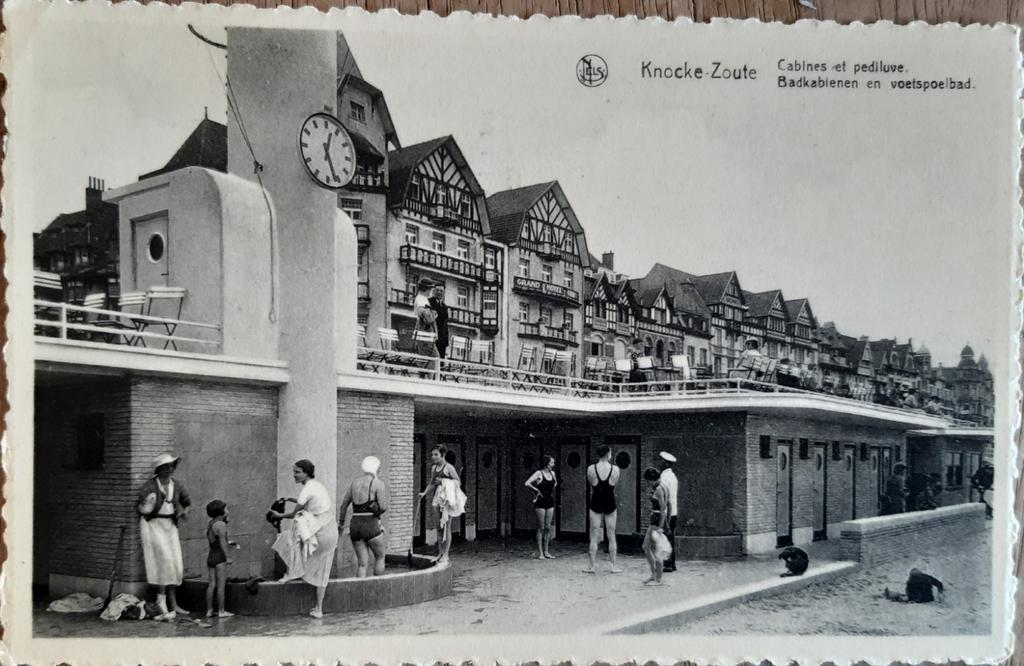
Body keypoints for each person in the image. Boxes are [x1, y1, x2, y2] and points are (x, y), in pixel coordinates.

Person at [269, 459, 339, 618]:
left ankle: (291, 573)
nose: (294, 475)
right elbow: (309, 502)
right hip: (330, 530)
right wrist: (290, 499)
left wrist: (279, 515)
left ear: (306, 473)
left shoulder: (307, 489)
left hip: (321, 530)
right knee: (323, 568)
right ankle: (318, 608)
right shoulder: (317, 485)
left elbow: (294, 513)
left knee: (289, 535)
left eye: (297, 472)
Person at [137, 453, 191, 621]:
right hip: (154, 526)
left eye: (172, 465)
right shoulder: (150, 486)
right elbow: (140, 506)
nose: (170, 469)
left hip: (170, 527)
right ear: (159, 469)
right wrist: (147, 504)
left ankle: (173, 603)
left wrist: (184, 512)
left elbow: (187, 503)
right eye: (167, 466)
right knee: (164, 562)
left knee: (175, 564)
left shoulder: (177, 486)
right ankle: (161, 601)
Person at [338, 456, 390, 577]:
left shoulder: (354, 483)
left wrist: (341, 524)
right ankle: (377, 588)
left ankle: (360, 591)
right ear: (377, 468)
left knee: (362, 564)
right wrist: (376, 514)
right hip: (370, 523)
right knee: (380, 557)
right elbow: (383, 507)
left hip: (355, 524)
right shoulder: (378, 484)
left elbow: (343, 506)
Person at [419, 445, 464, 565]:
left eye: (436, 454)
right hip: (437, 497)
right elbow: (431, 483)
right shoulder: (433, 468)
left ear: (443, 455)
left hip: (447, 498)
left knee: (447, 526)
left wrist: (443, 481)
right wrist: (424, 493)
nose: (433, 457)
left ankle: (446, 554)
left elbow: (458, 482)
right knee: (438, 526)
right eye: (432, 454)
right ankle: (439, 553)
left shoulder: (449, 467)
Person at [584, 445, 622, 574]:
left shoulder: (591, 469)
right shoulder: (615, 469)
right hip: (609, 501)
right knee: (611, 535)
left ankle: (592, 566)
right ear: (607, 454)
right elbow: (614, 483)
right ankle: (613, 566)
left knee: (593, 535)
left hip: (596, 500)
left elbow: (591, 483)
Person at [205, 499, 237, 618]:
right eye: (226, 509)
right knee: (221, 585)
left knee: (211, 584)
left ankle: (209, 610)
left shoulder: (211, 523)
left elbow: (216, 540)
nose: (228, 511)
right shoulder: (221, 524)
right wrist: (227, 557)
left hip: (211, 556)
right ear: (221, 512)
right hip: (219, 558)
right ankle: (222, 611)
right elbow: (223, 543)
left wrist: (229, 542)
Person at [525, 455, 558, 559]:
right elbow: (527, 483)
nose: (553, 464)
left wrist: (550, 489)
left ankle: (546, 551)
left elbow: (555, 483)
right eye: (552, 463)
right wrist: (536, 491)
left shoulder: (553, 473)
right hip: (540, 502)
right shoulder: (539, 473)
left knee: (548, 527)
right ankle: (540, 553)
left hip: (549, 501)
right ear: (547, 463)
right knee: (541, 527)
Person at [641, 467, 670, 585]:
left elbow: (663, 508)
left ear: (652, 480)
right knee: (654, 548)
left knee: (647, 546)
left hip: (656, 520)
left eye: (648, 481)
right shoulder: (664, 486)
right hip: (658, 519)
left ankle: (656, 576)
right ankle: (657, 576)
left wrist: (660, 526)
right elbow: (669, 506)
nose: (648, 484)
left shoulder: (658, 489)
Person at [657, 451, 678, 572]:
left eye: (661, 461)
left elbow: (664, 498)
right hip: (673, 511)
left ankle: (667, 564)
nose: (659, 463)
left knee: (665, 538)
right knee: (670, 538)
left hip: (667, 512)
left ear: (665, 463)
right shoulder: (672, 476)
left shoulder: (664, 477)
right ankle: (671, 563)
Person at [413, 278, 439, 356]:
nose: (432, 292)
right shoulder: (421, 300)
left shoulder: (422, 299)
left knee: (431, 360)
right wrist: (434, 313)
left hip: (426, 337)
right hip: (425, 336)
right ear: (427, 289)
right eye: (431, 289)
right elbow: (428, 318)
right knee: (434, 359)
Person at [429, 284, 450, 360]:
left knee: (441, 361)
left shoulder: (444, 307)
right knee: (432, 360)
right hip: (433, 336)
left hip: (442, 339)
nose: (439, 292)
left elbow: (445, 324)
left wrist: (446, 340)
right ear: (434, 291)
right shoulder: (429, 302)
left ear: (444, 293)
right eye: (437, 290)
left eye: (441, 291)